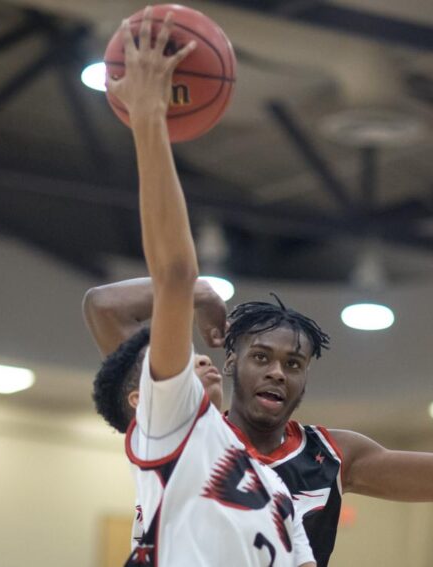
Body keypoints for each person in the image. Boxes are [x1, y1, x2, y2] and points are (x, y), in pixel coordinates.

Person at [87, 273, 433, 567]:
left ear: (305, 379)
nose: (276, 371)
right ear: (230, 362)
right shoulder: (182, 429)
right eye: (261, 357)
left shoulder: (332, 454)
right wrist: (198, 292)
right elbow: (103, 307)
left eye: (293, 364)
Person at [104, 8, 316, 566]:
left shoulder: (271, 491)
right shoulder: (171, 429)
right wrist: (149, 116)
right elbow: (174, 277)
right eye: (167, 363)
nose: (191, 358)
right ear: (142, 402)